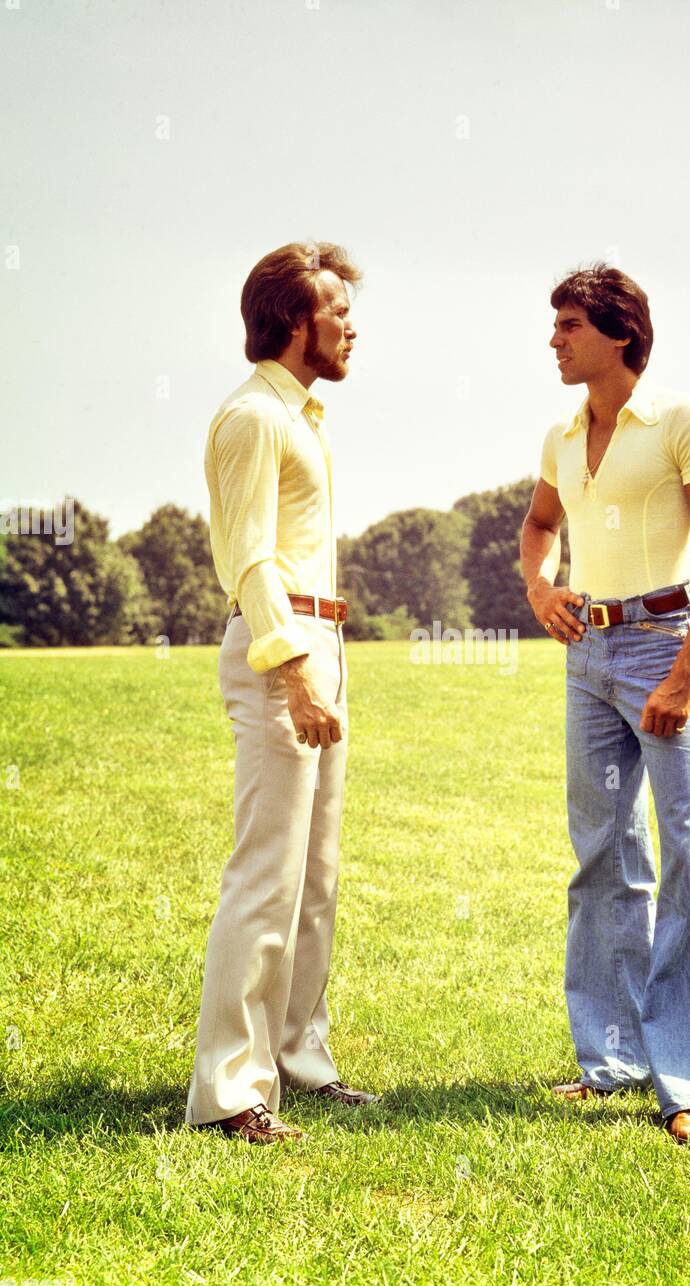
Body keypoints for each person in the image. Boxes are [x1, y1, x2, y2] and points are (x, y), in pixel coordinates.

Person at [520, 263, 690, 1144]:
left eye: (569, 325)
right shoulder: (560, 436)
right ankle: (610, 1060)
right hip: (588, 656)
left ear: (619, 334)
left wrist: (684, 675)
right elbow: (539, 529)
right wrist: (543, 591)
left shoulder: (682, 421)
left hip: (664, 643)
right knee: (603, 855)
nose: (554, 340)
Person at [185, 241, 379, 1144]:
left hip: (321, 640)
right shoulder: (253, 418)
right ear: (295, 319)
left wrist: (320, 657)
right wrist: (294, 670)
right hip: (281, 652)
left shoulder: (303, 416)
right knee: (266, 876)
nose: (351, 324)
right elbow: (249, 558)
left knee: (315, 879)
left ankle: (297, 1061)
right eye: (337, 309)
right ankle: (229, 1094)